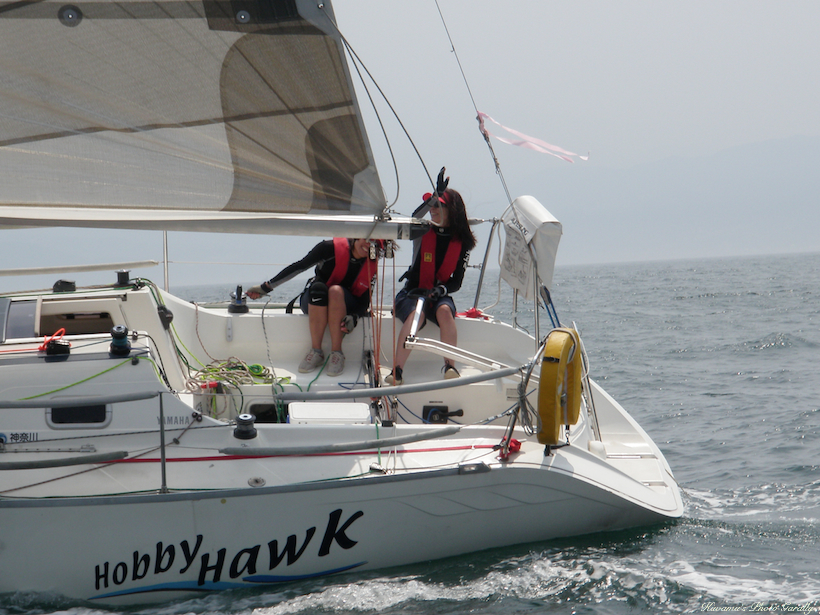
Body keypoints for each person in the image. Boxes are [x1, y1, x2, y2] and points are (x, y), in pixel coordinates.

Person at [386, 169, 476, 385]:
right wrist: (435, 194)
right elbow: (414, 217)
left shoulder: (462, 242)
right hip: (411, 293)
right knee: (416, 315)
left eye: (438, 205)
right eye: (432, 205)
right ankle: (397, 371)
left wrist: (440, 290)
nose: (433, 209)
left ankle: (450, 367)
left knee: (445, 311)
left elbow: (456, 282)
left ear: (451, 210)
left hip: (438, 295)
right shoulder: (422, 230)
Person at [247, 238, 378, 377]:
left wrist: (355, 316)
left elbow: (364, 301)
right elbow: (299, 266)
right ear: (356, 236)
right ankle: (316, 352)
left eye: (375, 243)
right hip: (315, 300)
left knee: (335, 291)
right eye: (367, 239)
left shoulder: (370, 263)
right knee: (318, 288)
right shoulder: (328, 248)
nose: (369, 245)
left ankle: (337, 353)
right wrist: (265, 288)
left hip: (344, 304)